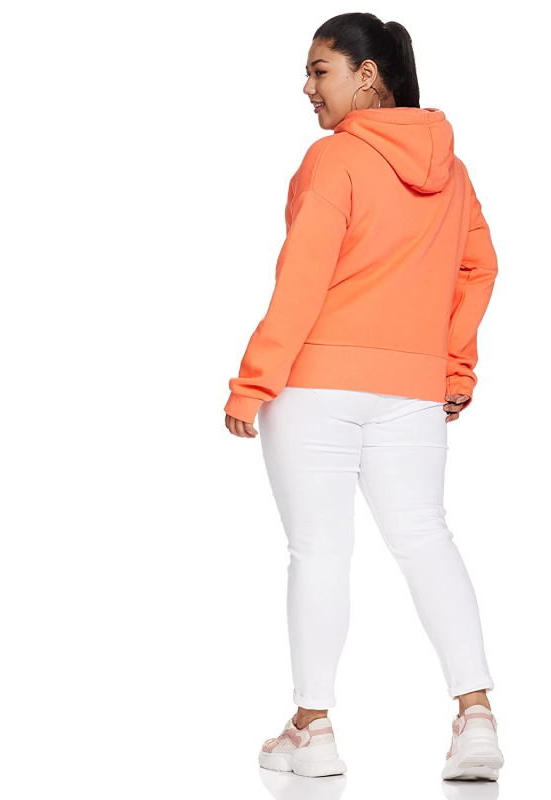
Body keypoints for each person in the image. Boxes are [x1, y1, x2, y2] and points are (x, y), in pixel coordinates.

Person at [224, 13, 504, 782]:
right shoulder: (453, 171)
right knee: (426, 538)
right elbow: (480, 268)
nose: (307, 87)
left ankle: (312, 731)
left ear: (367, 74)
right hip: (412, 389)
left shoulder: (335, 159)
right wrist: (454, 369)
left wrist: (254, 382)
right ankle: (476, 717)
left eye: (320, 71)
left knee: (319, 552)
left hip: (315, 384)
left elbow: (303, 279)